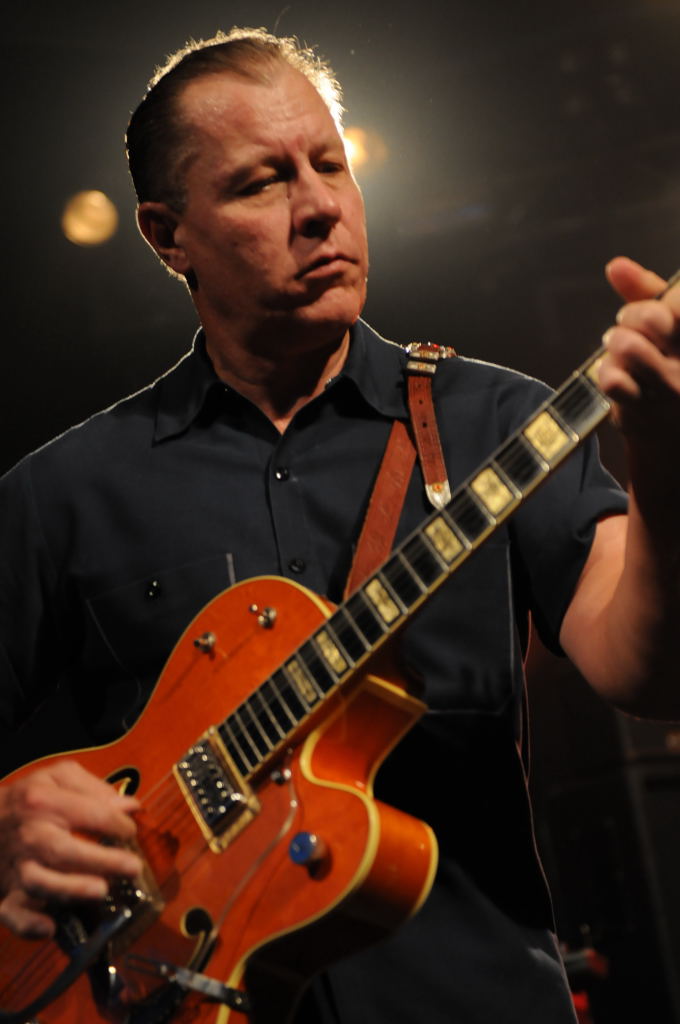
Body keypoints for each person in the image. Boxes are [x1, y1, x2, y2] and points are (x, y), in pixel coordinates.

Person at [0, 26, 679, 1024]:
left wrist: (661, 455)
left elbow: (651, 676)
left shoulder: (497, 422)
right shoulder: (63, 491)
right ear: (166, 235)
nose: (319, 206)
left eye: (330, 163)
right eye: (260, 182)